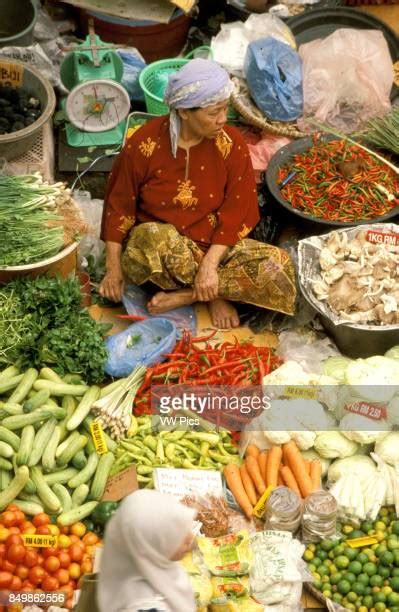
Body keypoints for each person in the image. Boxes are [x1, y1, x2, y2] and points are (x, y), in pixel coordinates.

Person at [100, 58, 296, 329]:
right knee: (146, 241)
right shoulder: (144, 144)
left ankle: (191, 295)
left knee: (278, 265)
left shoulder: (231, 144)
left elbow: (238, 210)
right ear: (184, 112)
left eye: (225, 109)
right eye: (213, 112)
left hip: (216, 246)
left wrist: (210, 266)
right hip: (166, 252)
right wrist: (112, 269)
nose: (222, 119)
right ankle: (211, 292)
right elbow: (118, 205)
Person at [97, 490, 197, 612]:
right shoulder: (145, 606)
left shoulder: (140, 570)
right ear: (149, 547)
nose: (190, 537)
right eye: (175, 536)